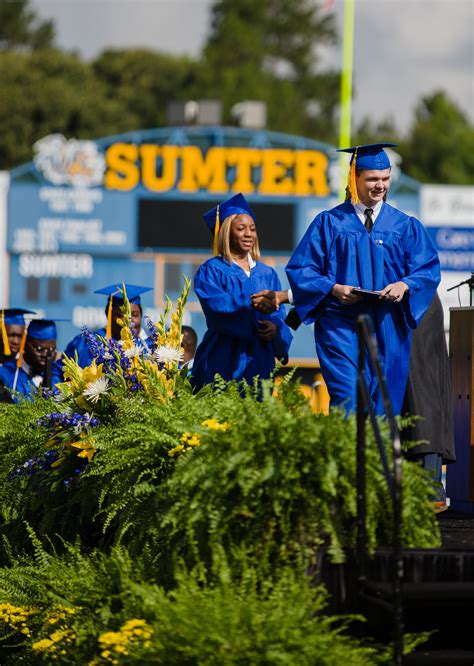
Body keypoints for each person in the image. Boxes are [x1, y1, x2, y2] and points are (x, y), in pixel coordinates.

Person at [286, 143, 440, 416]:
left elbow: (427, 269)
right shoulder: (329, 223)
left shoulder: (404, 226)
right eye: (372, 179)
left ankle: (374, 460)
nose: (380, 185)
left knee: (384, 403)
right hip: (341, 324)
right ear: (354, 178)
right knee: (348, 398)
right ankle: (346, 458)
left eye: (385, 179)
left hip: (388, 325)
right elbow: (302, 270)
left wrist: (405, 285)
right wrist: (332, 288)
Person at [191, 193, 293, 390]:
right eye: (241, 229)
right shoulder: (212, 269)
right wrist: (249, 301)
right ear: (227, 232)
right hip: (223, 354)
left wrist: (275, 327)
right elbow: (215, 307)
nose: (249, 234)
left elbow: (279, 313)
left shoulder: (267, 273)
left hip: (259, 358)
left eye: (252, 229)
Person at [402, 291, 455, 511]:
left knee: (421, 393)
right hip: (405, 306)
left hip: (413, 308)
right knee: (413, 395)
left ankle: (428, 486)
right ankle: (422, 486)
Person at [57, 283, 153, 375]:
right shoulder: (88, 343)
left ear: (141, 316)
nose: (128, 321)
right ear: (109, 315)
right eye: (120, 315)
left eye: (134, 315)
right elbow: (58, 371)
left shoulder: (150, 347)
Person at [0, 318, 65, 401]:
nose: (45, 355)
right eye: (39, 349)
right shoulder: (5, 374)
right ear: (25, 344)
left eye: (52, 350)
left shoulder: (58, 376)